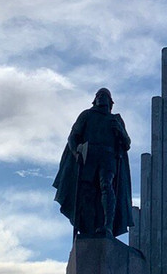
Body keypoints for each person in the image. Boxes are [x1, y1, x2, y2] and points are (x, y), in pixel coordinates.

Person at [53, 88, 134, 239]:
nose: (102, 98)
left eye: (105, 96)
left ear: (111, 102)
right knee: (87, 192)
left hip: (108, 157)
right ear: (95, 99)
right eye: (99, 95)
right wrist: (76, 152)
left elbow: (127, 143)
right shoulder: (87, 115)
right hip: (89, 157)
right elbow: (73, 137)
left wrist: (120, 132)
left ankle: (107, 226)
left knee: (106, 187)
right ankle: (88, 228)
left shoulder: (116, 119)